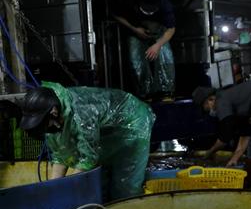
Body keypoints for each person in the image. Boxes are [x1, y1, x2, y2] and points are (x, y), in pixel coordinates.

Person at [18, 82, 154, 200]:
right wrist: (52, 190)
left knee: (125, 185)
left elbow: (87, 159)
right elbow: (60, 156)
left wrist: (68, 191)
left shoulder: (81, 114)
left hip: (133, 121)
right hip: (108, 130)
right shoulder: (54, 119)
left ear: (53, 112)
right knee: (102, 183)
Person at [113, 0, 177, 101]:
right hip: (136, 29)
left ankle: (166, 91)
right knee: (136, 60)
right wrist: (134, 29)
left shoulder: (165, 4)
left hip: (159, 31)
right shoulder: (128, 0)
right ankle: (145, 92)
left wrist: (158, 45)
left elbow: (171, 28)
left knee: (166, 57)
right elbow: (116, 15)